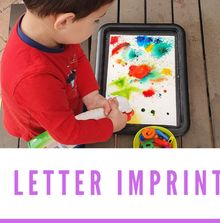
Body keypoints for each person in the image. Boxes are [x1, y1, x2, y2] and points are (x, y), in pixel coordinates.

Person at [1, 0, 127, 146]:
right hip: (44, 132)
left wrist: (91, 95)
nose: (96, 25)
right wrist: (111, 125)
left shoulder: (42, 28)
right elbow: (67, 134)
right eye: (96, 20)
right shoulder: (35, 80)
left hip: (61, 103)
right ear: (64, 22)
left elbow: (76, 57)